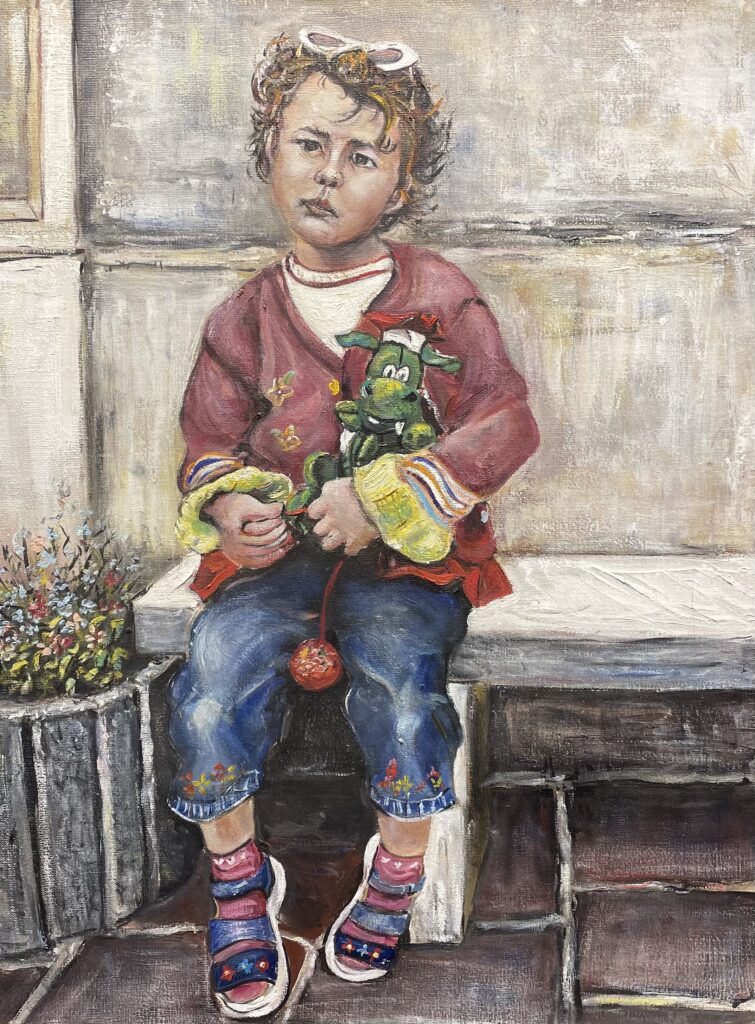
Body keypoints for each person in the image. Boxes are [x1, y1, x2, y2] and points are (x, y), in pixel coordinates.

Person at [168, 28, 540, 1019]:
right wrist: (231, 505)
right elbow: (206, 442)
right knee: (210, 679)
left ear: (400, 185)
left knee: (404, 686)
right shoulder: (242, 317)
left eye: (361, 155)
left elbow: (504, 423)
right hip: (275, 566)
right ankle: (238, 883)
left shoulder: (438, 299)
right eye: (308, 144)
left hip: (405, 567)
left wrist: (384, 497)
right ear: (268, 154)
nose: (328, 173)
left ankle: (396, 870)